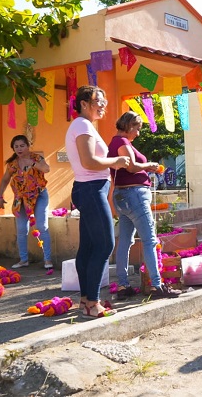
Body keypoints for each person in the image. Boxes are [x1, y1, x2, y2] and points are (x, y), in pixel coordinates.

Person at [65, 85, 130, 319]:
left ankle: (85, 300)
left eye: (104, 101)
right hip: (91, 190)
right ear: (84, 103)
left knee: (90, 247)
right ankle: (92, 303)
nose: (103, 105)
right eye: (98, 100)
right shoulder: (82, 125)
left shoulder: (84, 125)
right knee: (104, 245)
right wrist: (116, 161)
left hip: (91, 190)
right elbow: (89, 162)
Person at [108, 111, 181, 299]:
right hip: (134, 195)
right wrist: (149, 166)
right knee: (149, 240)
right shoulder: (122, 143)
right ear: (129, 126)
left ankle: (123, 285)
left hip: (122, 196)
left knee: (125, 241)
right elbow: (131, 167)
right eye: (137, 129)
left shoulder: (115, 143)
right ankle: (157, 286)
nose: (138, 134)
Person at [0, 136, 53, 269]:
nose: (19, 149)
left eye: (22, 145)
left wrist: (32, 164)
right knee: (21, 229)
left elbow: (46, 169)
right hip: (20, 199)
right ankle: (23, 260)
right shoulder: (12, 164)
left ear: (28, 146)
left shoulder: (36, 158)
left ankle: (48, 260)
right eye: (16, 146)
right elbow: (5, 180)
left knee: (41, 226)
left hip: (39, 196)